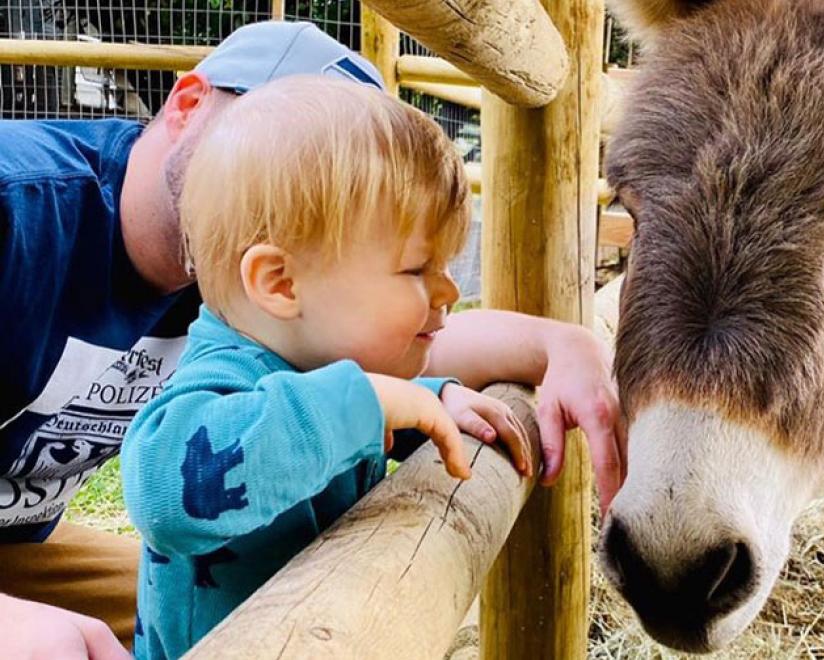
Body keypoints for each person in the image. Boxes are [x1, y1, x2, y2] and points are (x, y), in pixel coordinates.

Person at [0, 21, 624, 659]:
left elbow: (404, 346)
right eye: (284, 144)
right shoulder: (18, 209)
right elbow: (169, 481)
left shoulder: (238, 275)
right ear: (187, 105)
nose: (291, 186)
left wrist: (557, 346)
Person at [122, 75, 532, 658]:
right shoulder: (225, 377)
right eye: (417, 269)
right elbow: (165, 494)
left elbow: (338, 413)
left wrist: (433, 402)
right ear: (281, 283)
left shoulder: (317, 361)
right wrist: (365, 401)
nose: (446, 290)